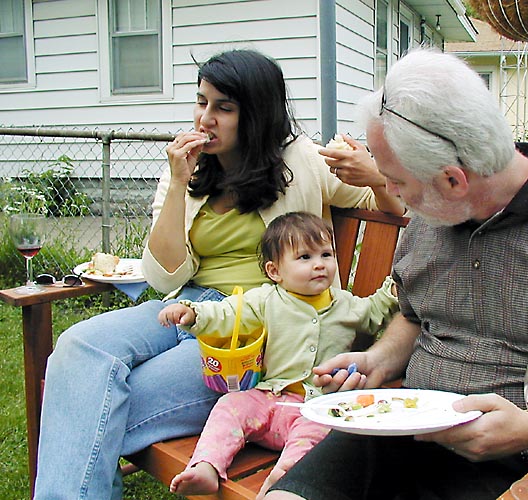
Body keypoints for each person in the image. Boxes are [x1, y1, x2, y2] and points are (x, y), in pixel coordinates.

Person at [265, 48, 528, 500]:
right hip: (401, 433)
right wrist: (377, 360)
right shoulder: (431, 218)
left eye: (395, 181)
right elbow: (415, 316)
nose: (389, 192)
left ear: (454, 180)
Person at [34, 49, 403, 500]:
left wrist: (378, 178)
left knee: (92, 406)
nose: (205, 118)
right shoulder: (190, 172)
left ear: (256, 115)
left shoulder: (301, 160)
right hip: (185, 306)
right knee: (77, 348)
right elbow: (165, 277)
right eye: (201, 102)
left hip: (255, 327)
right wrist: (175, 185)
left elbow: (388, 205)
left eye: (223, 108)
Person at [159, 211, 398, 497]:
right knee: (229, 406)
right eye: (305, 258)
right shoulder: (265, 300)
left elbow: (374, 313)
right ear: (275, 272)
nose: (319, 265)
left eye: (326, 254)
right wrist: (193, 312)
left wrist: (392, 291)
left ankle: (284, 478)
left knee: (318, 433)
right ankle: (207, 466)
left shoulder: (346, 305)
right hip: (266, 397)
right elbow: (228, 313)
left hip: (313, 407)